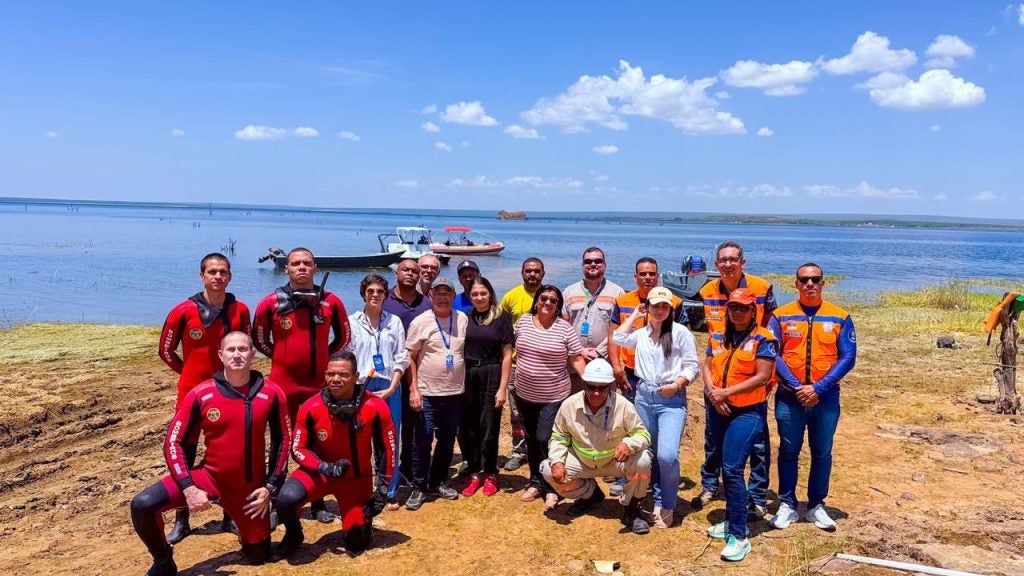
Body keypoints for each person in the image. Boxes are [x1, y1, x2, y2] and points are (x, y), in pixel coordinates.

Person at [130, 332, 291, 576]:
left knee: (258, 558)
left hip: (250, 492)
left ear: (253, 354)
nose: (237, 355)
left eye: (243, 349)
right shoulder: (201, 393)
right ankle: (163, 561)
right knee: (142, 505)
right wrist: (188, 488)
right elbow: (174, 442)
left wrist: (270, 487)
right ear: (221, 355)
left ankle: (248, 530)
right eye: (231, 350)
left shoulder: (272, 393)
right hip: (209, 478)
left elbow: (283, 440)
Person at [157, 252, 251, 543]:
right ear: (202, 276)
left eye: (223, 272)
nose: (218, 276)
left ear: (229, 276)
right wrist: (188, 375)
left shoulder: (240, 310)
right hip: (191, 394)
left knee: (228, 454)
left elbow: (244, 347)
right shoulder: (183, 311)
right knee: (184, 453)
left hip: (229, 392)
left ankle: (230, 515)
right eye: (212, 272)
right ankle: (182, 519)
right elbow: (165, 351)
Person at [253, 247, 350, 522]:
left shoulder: (331, 302)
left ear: (315, 268)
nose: (302, 268)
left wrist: (325, 360)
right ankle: (275, 500)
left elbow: (343, 338)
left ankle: (317, 501)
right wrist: (281, 358)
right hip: (283, 386)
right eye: (296, 264)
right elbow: (259, 339)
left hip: (318, 386)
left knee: (318, 442)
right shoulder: (270, 303)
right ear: (286, 268)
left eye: (307, 263)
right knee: (281, 442)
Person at [276, 351, 397, 556]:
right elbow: (297, 449)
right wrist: (324, 466)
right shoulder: (311, 407)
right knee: (286, 499)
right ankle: (294, 534)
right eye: (331, 374)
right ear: (325, 375)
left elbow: (387, 448)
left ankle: (361, 524)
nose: (335, 379)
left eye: (343, 374)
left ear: (356, 376)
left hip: (355, 480)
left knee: (356, 543)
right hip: (321, 474)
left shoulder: (375, 406)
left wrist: (383, 488)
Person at [769, 263, 856, 532]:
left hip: (825, 398)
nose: (810, 284)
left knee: (822, 452)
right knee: (788, 451)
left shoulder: (839, 316)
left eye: (815, 279)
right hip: (790, 397)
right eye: (804, 279)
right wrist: (798, 387)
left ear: (823, 283)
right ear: (796, 283)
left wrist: (818, 388)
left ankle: (816, 505)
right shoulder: (780, 316)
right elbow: (773, 353)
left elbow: (848, 356)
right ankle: (787, 504)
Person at [693, 241, 777, 517]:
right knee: (713, 438)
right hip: (717, 376)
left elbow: (771, 327)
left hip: (750, 374)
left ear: (743, 262)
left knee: (757, 443)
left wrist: (768, 376)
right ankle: (710, 485)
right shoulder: (707, 291)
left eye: (733, 259)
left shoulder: (761, 288)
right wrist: (714, 390)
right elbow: (711, 336)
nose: (727, 264)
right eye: (723, 260)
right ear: (716, 264)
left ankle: (757, 496)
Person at [612, 286, 699, 529]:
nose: (660, 310)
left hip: (671, 399)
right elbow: (618, 338)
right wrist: (634, 315)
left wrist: (677, 384)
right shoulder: (641, 333)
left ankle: (666, 502)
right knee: (645, 451)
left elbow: (692, 366)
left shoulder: (680, 333)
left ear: (671, 309)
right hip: (643, 396)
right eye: (655, 306)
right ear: (647, 307)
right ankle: (642, 493)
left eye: (664, 306)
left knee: (666, 455)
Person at [701, 288, 777, 562]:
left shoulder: (764, 338)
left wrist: (726, 393)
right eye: (733, 307)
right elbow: (707, 366)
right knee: (724, 464)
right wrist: (714, 393)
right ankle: (734, 517)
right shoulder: (718, 335)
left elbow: (762, 376)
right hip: (719, 407)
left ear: (753, 311)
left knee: (733, 468)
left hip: (747, 412)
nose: (737, 312)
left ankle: (739, 536)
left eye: (743, 308)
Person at [541, 358, 653, 535]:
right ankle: (590, 495)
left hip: (614, 461)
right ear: (584, 384)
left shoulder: (623, 405)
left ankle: (632, 508)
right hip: (582, 461)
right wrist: (557, 461)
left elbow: (643, 434)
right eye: (591, 387)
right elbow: (559, 436)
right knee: (547, 469)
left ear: (610, 386)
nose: (596, 393)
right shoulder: (569, 405)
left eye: (602, 388)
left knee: (644, 461)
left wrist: (628, 444)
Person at [607, 257, 684, 498]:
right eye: (643, 274)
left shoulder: (675, 302)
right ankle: (625, 476)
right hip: (631, 374)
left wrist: (677, 380)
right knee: (628, 427)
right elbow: (614, 336)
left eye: (652, 274)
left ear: (657, 276)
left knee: (657, 435)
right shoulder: (623, 301)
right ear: (635, 277)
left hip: (662, 380)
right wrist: (617, 368)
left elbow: (683, 341)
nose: (647, 278)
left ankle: (656, 479)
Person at [513, 284, 586, 510]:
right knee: (531, 439)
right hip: (524, 393)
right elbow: (508, 348)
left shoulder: (564, 329)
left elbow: (576, 358)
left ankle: (553, 487)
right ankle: (536, 482)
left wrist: (591, 382)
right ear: (536, 301)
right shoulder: (523, 322)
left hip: (554, 395)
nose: (547, 303)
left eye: (553, 301)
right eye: (543, 298)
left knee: (545, 438)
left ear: (558, 306)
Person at [344, 273, 409, 511]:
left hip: (389, 385)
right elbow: (347, 356)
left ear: (385, 295)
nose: (375, 295)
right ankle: (361, 487)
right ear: (363, 293)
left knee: (389, 440)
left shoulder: (394, 322)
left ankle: (389, 490)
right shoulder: (351, 322)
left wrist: (392, 387)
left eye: (380, 291)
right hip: (361, 387)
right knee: (359, 439)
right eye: (370, 291)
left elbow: (402, 357)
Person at [404, 277, 469, 510]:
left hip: (454, 392)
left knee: (447, 439)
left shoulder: (462, 319)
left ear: (453, 295)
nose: (442, 297)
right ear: (430, 296)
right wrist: (414, 389)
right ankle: (419, 486)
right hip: (427, 392)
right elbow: (410, 357)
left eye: (447, 293)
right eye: (438, 293)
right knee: (423, 439)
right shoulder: (421, 321)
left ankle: (439, 481)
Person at [382, 258, 432, 497]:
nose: (410, 274)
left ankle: (408, 469)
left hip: (417, 373)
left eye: (414, 271)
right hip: (387, 373)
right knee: (388, 426)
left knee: (414, 424)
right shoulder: (384, 299)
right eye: (406, 270)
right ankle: (386, 472)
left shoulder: (426, 304)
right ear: (397, 273)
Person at [459, 277, 513, 496]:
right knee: (469, 428)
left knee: (489, 428)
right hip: (468, 374)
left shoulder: (501, 317)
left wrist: (502, 388)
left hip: (492, 372)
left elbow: (507, 355)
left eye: (483, 293)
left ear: (490, 294)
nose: (479, 297)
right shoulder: (466, 317)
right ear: (469, 296)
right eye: (475, 294)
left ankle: (490, 473)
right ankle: (474, 473)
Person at [499, 257, 546, 471]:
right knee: (517, 413)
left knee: (544, 412)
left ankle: (544, 450)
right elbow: (502, 328)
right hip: (516, 365)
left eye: (536, 271)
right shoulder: (511, 296)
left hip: (544, 366)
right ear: (522, 273)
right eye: (528, 271)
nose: (532, 274)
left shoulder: (549, 296)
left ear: (543, 273)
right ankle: (519, 451)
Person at [562, 246, 624, 393]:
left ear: (605, 265)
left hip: (605, 363)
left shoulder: (618, 293)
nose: (593, 264)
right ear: (582, 265)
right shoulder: (569, 292)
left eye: (598, 261)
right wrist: (580, 350)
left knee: (605, 402)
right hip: (575, 363)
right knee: (575, 402)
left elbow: (620, 329)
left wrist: (600, 351)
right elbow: (563, 327)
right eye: (588, 261)